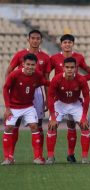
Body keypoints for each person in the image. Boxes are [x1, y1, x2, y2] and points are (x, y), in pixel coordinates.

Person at [5, 29, 50, 160]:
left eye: (38, 38)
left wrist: (47, 99)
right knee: (15, 124)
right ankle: (10, 156)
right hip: (19, 91)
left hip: (36, 92)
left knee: (38, 124)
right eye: (33, 38)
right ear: (28, 39)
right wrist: (10, 88)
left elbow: (46, 80)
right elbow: (9, 71)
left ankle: (39, 156)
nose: (35, 40)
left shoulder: (45, 57)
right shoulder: (20, 55)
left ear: (41, 40)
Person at [47, 34, 90, 163]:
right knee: (51, 126)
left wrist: (84, 116)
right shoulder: (56, 78)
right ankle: (50, 157)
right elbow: (50, 96)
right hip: (59, 103)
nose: (70, 69)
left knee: (85, 126)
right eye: (68, 67)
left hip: (75, 103)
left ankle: (84, 158)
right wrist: (53, 117)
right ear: (63, 68)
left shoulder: (80, 78)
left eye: (72, 67)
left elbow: (87, 96)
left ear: (76, 68)